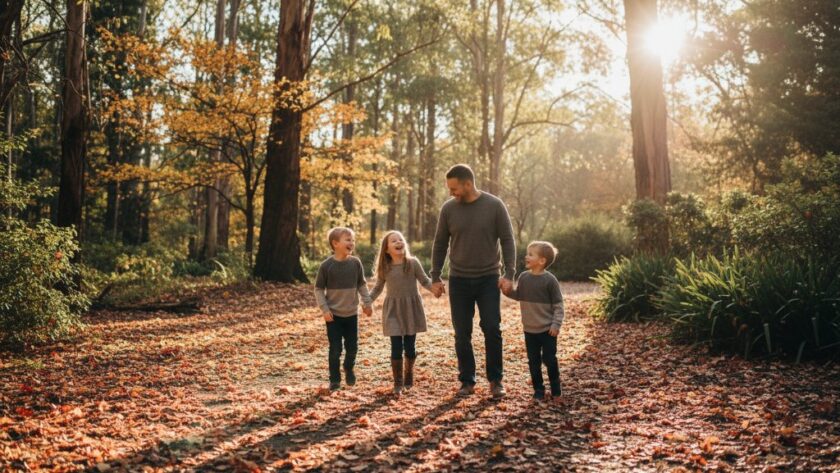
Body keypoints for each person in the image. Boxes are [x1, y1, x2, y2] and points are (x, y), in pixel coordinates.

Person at [430, 164, 516, 398]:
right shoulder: (448, 209)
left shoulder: (494, 205)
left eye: (454, 188)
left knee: (491, 327)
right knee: (462, 333)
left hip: (488, 278)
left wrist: (510, 274)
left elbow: (507, 240)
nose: (451, 193)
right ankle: (467, 381)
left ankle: (496, 380)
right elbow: (440, 243)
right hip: (459, 280)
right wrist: (435, 275)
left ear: (468, 184)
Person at [370, 230, 434, 395]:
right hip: (393, 309)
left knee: (410, 347)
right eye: (393, 241)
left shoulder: (412, 263)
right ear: (386, 249)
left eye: (400, 239)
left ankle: (409, 373)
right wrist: (367, 300)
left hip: (410, 308)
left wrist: (435, 288)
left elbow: (425, 280)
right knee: (396, 345)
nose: (398, 242)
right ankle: (398, 382)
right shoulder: (385, 267)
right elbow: (378, 287)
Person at [502, 241, 565, 400]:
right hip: (529, 330)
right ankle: (538, 389)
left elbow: (558, 305)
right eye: (527, 253)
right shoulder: (524, 277)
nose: (526, 256)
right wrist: (507, 292)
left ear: (542, 260)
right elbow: (519, 295)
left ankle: (556, 387)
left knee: (549, 360)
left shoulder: (550, 281)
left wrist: (556, 324)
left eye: (531, 254)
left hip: (547, 330)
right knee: (533, 361)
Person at [313, 227, 373, 391]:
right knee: (335, 348)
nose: (352, 243)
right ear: (335, 243)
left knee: (352, 347)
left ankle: (348, 367)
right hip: (333, 315)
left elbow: (362, 284)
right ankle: (335, 380)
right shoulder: (326, 266)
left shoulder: (355, 263)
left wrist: (367, 303)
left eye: (353, 240)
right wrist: (325, 309)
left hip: (352, 314)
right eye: (348, 240)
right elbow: (318, 289)